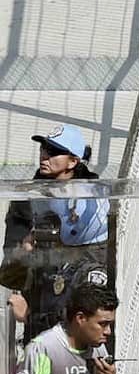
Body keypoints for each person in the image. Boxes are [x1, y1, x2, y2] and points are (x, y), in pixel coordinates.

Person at [1, 124, 109, 342]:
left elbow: (95, 269)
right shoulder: (26, 201)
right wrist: (25, 250)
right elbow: (10, 274)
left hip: (79, 328)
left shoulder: (95, 203)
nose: (44, 156)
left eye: (53, 151)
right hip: (39, 322)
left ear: (73, 161)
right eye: (43, 149)